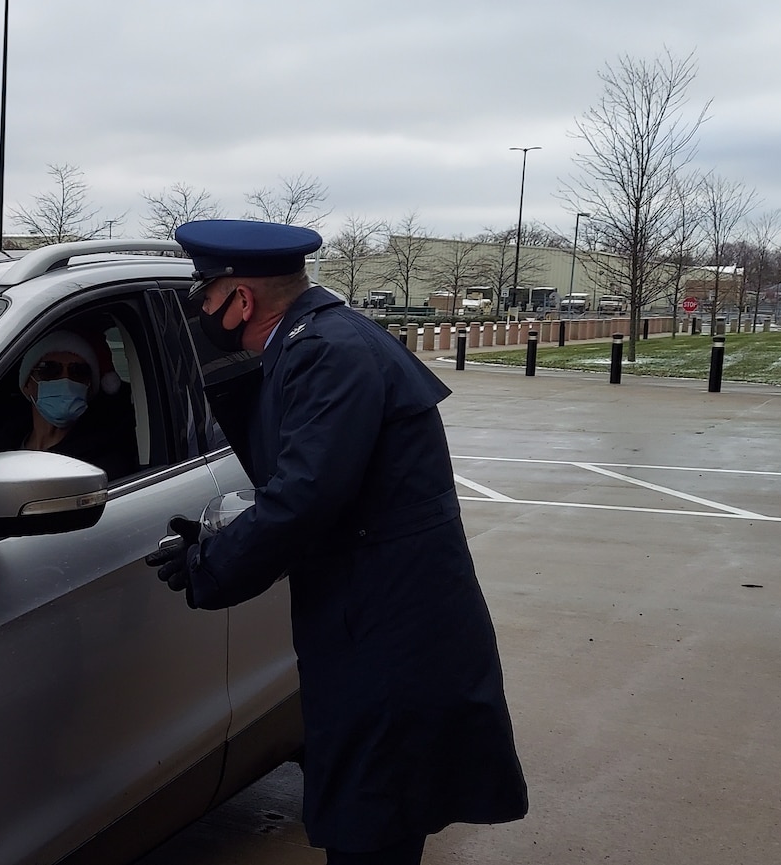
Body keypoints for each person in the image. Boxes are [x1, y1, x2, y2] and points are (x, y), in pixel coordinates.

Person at [149, 219, 527, 864]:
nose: (200, 313)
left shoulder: (330, 351)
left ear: (241, 299)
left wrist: (212, 567)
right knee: (378, 798)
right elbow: (317, 481)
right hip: (377, 608)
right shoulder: (317, 342)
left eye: (204, 297)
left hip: (388, 623)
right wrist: (218, 534)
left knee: (372, 814)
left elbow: (307, 496)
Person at [0, 330, 140, 480]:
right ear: (27, 384)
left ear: (90, 388)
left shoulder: (101, 462)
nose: (65, 380)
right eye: (49, 369)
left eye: (78, 372)